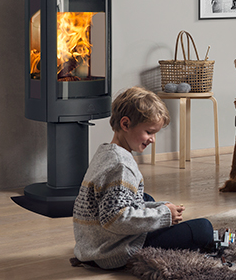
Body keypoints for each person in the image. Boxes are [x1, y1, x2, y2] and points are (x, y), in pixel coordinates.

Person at [73, 86, 214, 269]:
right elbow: (115, 218)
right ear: (125, 124)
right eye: (149, 132)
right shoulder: (121, 166)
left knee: (148, 199)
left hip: (92, 243)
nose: (153, 139)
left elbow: (113, 205)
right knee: (203, 229)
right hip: (112, 252)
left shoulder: (105, 153)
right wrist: (163, 215)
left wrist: (159, 208)